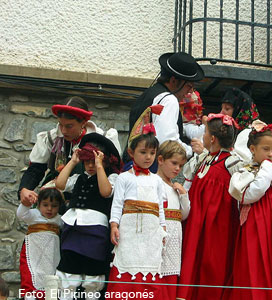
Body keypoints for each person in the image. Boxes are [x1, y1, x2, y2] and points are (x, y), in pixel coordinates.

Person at [224, 122, 272, 300]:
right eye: (266, 149)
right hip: (255, 226)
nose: (270, 155)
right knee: (254, 264)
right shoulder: (245, 172)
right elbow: (249, 195)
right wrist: (267, 170)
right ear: (252, 149)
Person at [176, 114, 242, 300]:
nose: (203, 135)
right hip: (197, 224)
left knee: (212, 263)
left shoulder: (232, 163)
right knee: (194, 259)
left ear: (212, 138)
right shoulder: (205, 160)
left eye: (205, 132)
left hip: (217, 227)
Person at [18, 96, 121, 205]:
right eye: (61, 125)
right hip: (56, 199)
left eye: (69, 126)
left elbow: (116, 171)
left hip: (92, 198)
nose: (63, 130)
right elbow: (36, 169)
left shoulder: (103, 139)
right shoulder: (52, 138)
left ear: (83, 123)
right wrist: (24, 189)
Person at [54, 133, 121, 300]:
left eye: (95, 161)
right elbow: (60, 184)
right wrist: (73, 161)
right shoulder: (77, 178)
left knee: (93, 270)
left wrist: (99, 166)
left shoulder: (112, 178)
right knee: (69, 267)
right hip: (73, 227)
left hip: (95, 230)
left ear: (106, 162)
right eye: (87, 161)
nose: (90, 165)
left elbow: (105, 192)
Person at [107, 122, 168, 299]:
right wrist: (114, 226)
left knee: (149, 265)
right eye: (143, 152)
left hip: (151, 230)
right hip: (129, 230)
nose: (148, 157)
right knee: (128, 262)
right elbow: (117, 204)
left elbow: (160, 208)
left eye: (152, 153)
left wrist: (162, 228)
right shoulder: (123, 178)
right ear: (131, 153)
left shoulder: (157, 181)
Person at [127, 52, 205, 164]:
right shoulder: (169, 100)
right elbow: (167, 142)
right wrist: (191, 150)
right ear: (173, 80)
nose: (190, 91)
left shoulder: (148, 94)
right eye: (189, 85)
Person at [156, 140, 190, 299]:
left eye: (181, 165)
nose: (178, 168)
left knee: (170, 278)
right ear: (161, 160)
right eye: (174, 163)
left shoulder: (176, 188)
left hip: (175, 239)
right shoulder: (155, 183)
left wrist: (183, 195)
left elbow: (183, 215)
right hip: (160, 238)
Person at [17, 186, 64, 300]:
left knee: (50, 277)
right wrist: (26, 204)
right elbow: (21, 214)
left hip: (51, 255)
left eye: (54, 206)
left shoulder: (60, 219)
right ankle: (30, 295)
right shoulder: (33, 215)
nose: (49, 209)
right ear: (38, 204)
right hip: (33, 250)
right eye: (45, 205)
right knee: (29, 273)